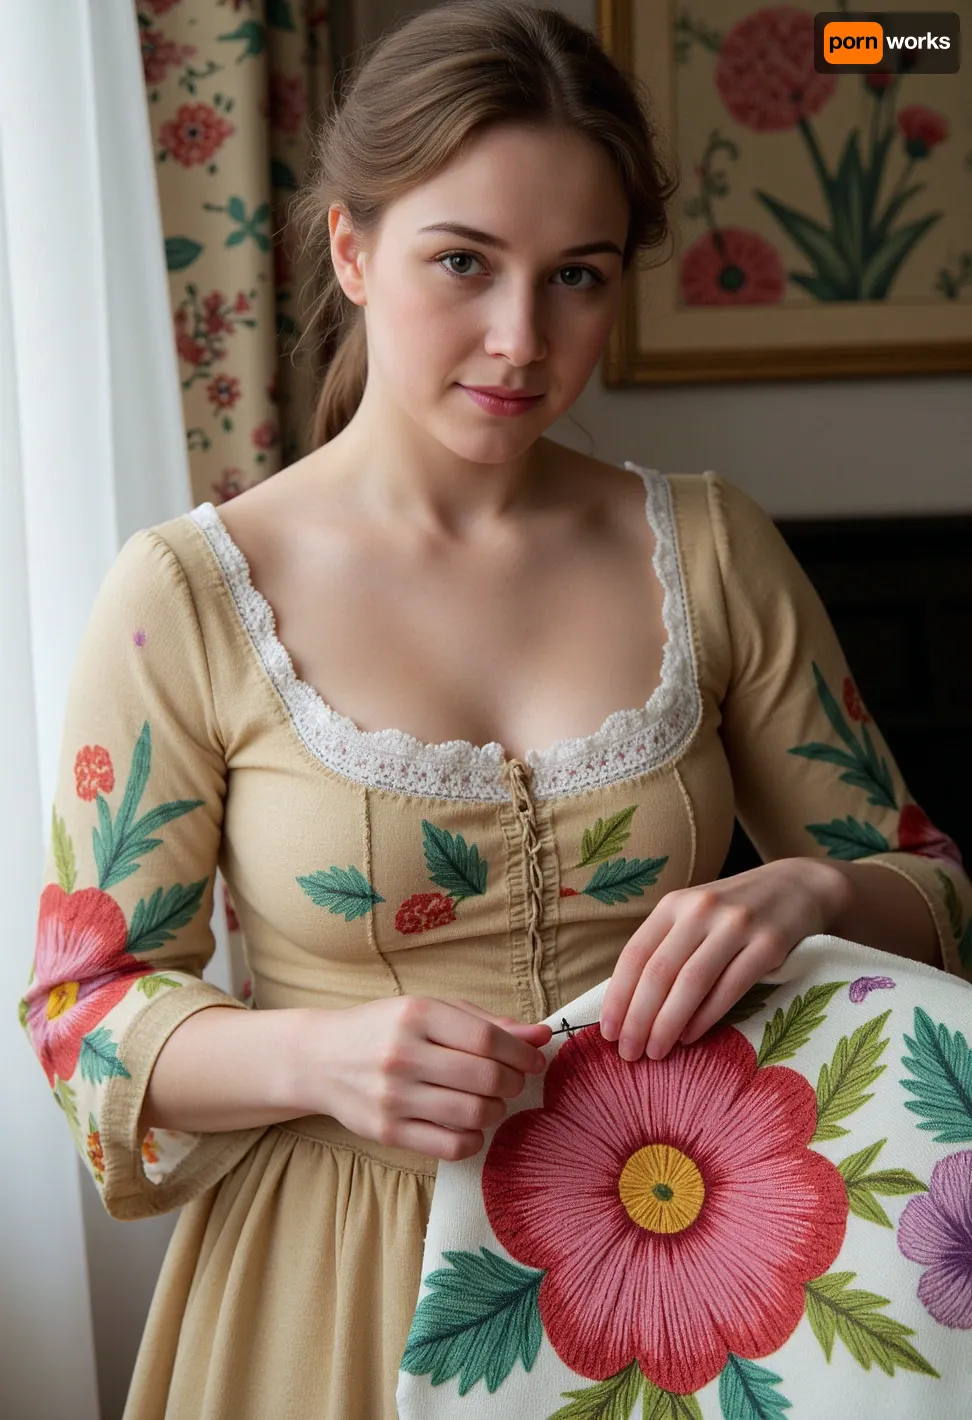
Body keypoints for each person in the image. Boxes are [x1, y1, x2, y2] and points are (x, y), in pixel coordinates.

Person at [19, 3, 972, 1417]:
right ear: (352, 251)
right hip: (334, 1282)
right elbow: (79, 1010)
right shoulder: (188, 596)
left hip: (688, 1277)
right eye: (463, 261)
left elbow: (935, 889)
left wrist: (812, 893)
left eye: (577, 276)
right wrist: (317, 1056)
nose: (521, 339)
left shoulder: (713, 548)